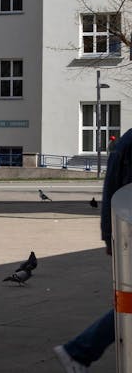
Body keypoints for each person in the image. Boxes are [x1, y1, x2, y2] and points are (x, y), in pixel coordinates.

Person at [53, 124, 132, 371]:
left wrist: (109, 236)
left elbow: (111, 190)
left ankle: (79, 351)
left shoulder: (126, 141)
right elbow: (114, 191)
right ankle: (79, 350)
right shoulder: (128, 144)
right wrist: (110, 236)